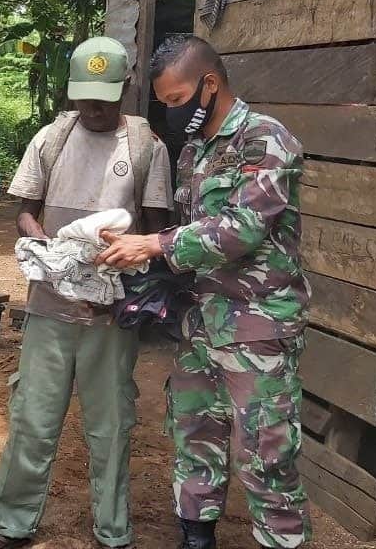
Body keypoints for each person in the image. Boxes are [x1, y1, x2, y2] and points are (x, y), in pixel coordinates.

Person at [96, 35, 312, 549]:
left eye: (177, 100)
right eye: (165, 103)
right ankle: (196, 537)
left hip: (258, 328)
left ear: (209, 85)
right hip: (200, 326)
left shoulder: (266, 141)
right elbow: (187, 227)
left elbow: (241, 229)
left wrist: (152, 244)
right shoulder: (194, 151)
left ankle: (281, 541)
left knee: (266, 451)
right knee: (194, 437)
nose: (173, 113)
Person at [0, 36, 172, 549]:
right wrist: (39, 238)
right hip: (48, 309)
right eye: (85, 97)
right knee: (32, 418)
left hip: (109, 316)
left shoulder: (146, 148)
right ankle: (12, 525)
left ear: (126, 88)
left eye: (105, 98)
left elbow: (155, 229)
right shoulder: (52, 138)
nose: (94, 107)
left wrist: (121, 262)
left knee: (110, 428)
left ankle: (114, 532)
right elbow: (25, 207)